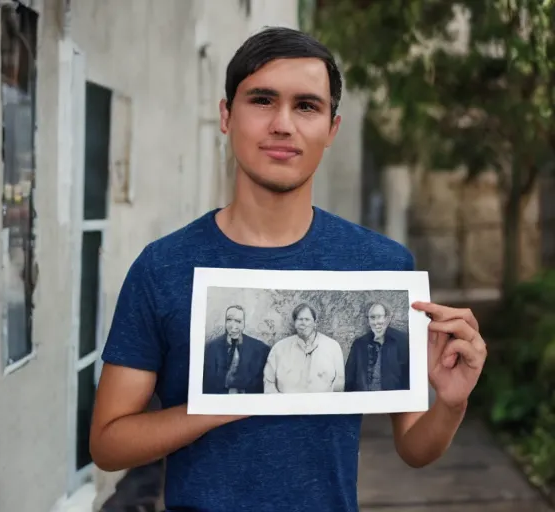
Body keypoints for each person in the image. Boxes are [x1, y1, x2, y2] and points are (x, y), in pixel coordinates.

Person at [90, 26, 487, 512]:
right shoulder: (163, 266)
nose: (283, 124)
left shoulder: (382, 267)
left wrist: (451, 402)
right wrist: (217, 406)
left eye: (306, 106)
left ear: (332, 129)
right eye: (261, 100)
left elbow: (414, 448)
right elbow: (108, 444)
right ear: (225, 115)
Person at [263, 303, 345, 393]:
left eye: (307, 319)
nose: (303, 323)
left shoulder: (332, 347)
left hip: (321, 405)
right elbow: (269, 382)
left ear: (315, 323)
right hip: (287, 406)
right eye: (300, 319)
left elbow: (339, 383)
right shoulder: (279, 348)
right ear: (295, 323)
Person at [202, 305, 271, 394]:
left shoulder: (260, 349)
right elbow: (208, 385)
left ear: (244, 324)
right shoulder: (211, 348)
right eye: (229, 320)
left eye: (238, 321)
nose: (233, 326)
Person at [346, 302, 410, 392]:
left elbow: (409, 378)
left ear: (387, 319)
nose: (376, 322)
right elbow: (349, 379)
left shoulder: (402, 341)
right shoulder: (359, 345)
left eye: (379, 317)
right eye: (372, 318)